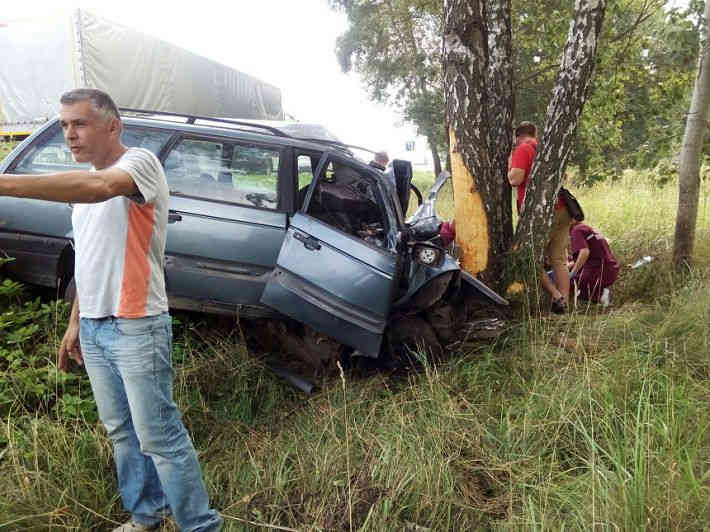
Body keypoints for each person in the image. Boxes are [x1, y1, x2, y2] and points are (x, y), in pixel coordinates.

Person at [0, 89, 221, 532]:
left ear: (112, 126)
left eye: (78, 123)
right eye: (63, 125)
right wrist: (74, 323)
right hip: (97, 328)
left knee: (159, 437)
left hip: (137, 324)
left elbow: (102, 188)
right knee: (122, 433)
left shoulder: (138, 164)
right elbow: (88, 258)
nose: (69, 134)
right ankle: (146, 516)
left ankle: (200, 526)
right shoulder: (83, 191)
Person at [507, 121, 572, 314]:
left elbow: (515, 179)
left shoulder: (523, 149)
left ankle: (556, 295)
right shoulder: (547, 149)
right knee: (558, 259)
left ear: (517, 136)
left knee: (528, 256)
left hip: (541, 213)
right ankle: (564, 306)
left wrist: (510, 163)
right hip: (562, 208)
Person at [569, 220, 620, 306]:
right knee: (584, 295)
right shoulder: (588, 228)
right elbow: (596, 252)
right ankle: (600, 295)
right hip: (610, 268)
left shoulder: (576, 230)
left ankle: (599, 295)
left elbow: (584, 252)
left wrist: (572, 273)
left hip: (598, 271)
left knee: (565, 282)